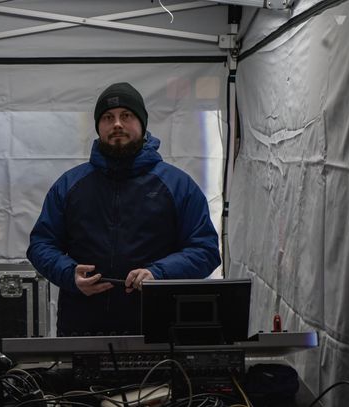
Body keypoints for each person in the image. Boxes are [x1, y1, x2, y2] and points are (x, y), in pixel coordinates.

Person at [27, 82, 221, 336]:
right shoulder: (69, 185)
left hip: (158, 330)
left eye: (126, 115)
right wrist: (68, 273)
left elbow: (205, 250)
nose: (117, 124)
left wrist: (158, 274)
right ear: (99, 127)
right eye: (108, 117)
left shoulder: (178, 185)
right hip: (81, 329)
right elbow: (41, 244)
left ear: (142, 123)